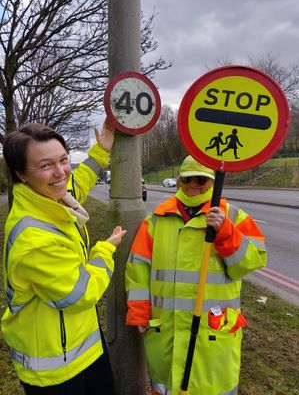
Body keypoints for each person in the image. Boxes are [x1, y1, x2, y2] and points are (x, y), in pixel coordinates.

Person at [1, 119, 127, 395]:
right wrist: (105, 250)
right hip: (54, 368)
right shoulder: (34, 240)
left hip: (85, 346)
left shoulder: (50, 198)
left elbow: (75, 184)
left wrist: (100, 152)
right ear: (21, 174)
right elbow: (81, 293)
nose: (61, 172)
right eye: (45, 165)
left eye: (64, 159)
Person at [125, 155, 267, 395]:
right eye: (187, 179)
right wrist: (139, 311)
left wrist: (224, 233)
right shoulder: (157, 220)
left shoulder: (232, 217)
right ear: (179, 181)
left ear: (212, 182)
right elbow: (138, 267)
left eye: (201, 180)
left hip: (211, 336)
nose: (193, 185)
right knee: (165, 386)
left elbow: (250, 262)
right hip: (167, 332)